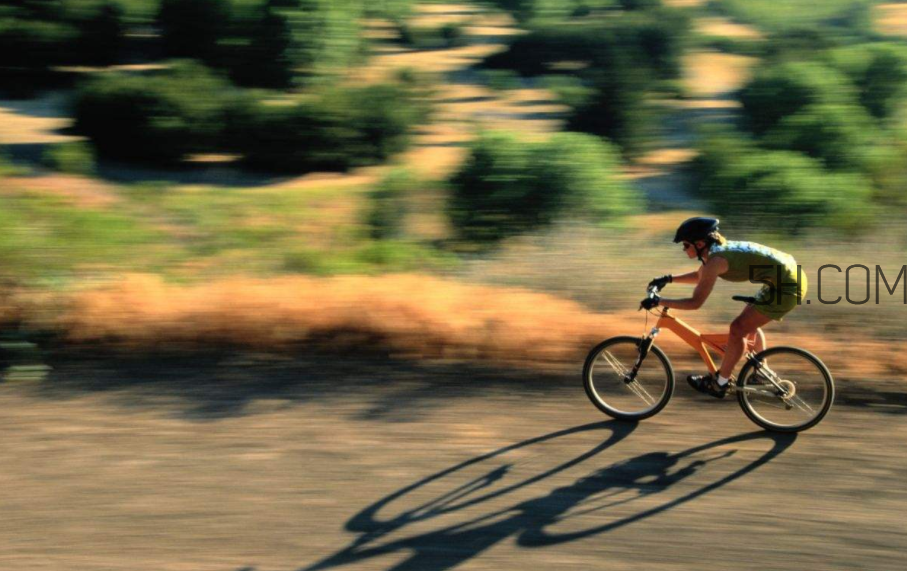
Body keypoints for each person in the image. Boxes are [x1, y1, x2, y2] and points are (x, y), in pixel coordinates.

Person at [640, 217, 806, 398]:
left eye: (686, 245)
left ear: (700, 244)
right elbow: (701, 276)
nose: (683, 249)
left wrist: (659, 301)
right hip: (786, 277)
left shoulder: (716, 261)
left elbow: (695, 303)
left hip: (788, 286)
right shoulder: (716, 251)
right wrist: (667, 279)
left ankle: (720, 383)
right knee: (748, 325)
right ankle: (761, 373)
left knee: (738, 329)